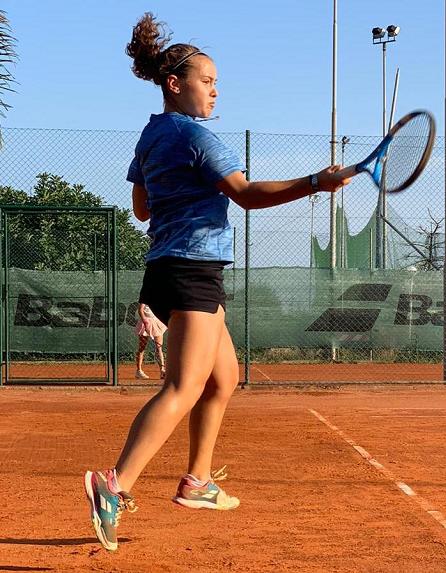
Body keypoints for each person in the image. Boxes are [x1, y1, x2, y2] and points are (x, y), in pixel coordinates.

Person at [83, 12, 351, 552]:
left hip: (168, 265)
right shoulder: (195, 137)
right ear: (175, 84)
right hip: (193, 268)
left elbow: (140, 207)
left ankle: (197, 481)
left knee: (222, 376)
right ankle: (115, 487)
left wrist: (178, 200)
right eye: (207, 80)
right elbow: (246, 194)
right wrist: (316, 183)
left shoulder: (153, 133)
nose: (215, 90)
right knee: (184, 386)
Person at [134, 303, 167, 380]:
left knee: (159, 347)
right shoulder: (146, 295)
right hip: (145, 323)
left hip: (156, 322)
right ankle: (139, 371)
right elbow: (140, 309)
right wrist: (144, 320)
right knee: (142, 348)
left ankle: (162, 370)